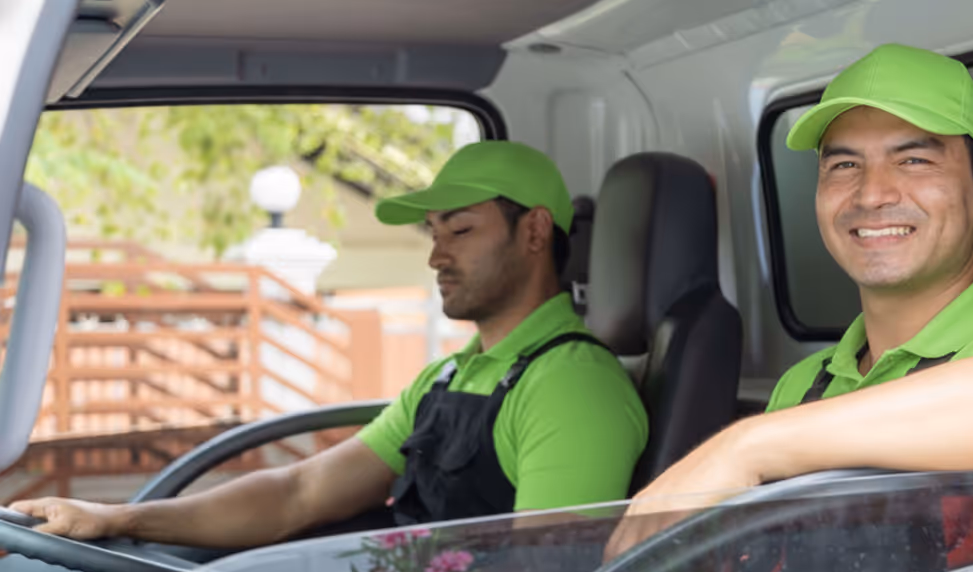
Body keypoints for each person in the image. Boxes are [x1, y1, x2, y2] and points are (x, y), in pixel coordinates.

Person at [604, 44, 973, 559]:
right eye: (844, 166)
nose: (872, 194)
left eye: (914, 159)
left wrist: (746, 447)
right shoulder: (804, 384)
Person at [15, 141, 649, 550]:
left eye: (459, 229)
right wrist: (122, 519)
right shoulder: (449, 376)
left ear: (535, 230)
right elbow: (298, 494)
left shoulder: (570, 386)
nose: (436, 254)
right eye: (433, 232)